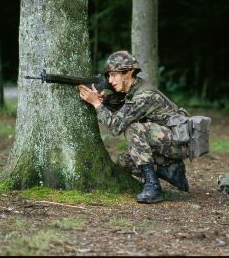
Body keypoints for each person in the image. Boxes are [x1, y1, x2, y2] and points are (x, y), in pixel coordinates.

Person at [78, 50, 189, 204]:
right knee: (122, 162)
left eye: (114, 75)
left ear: (128, 72)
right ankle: (170, 171)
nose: (110, 80)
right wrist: (105, 100)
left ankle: (153, 188)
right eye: (109, 76)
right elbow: (123, 107)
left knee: (133, 129)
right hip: (165, 142)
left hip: (179, 143)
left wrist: (96, 103)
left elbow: (116, 127)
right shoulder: (133, 90)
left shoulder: (144, 96)